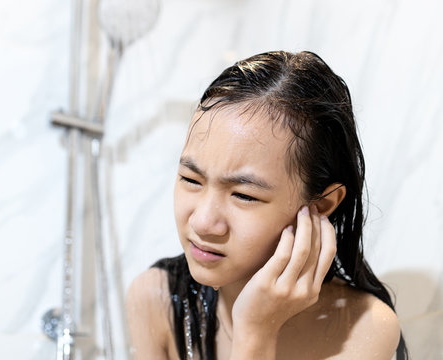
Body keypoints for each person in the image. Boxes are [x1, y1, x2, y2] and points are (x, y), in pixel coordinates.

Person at [125, 50, 408, 359]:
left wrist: (256, 333)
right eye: (191, 179)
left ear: (323, 205)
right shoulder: (157, 300)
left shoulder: (363, 328)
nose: (202, 222)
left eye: (244, 195)